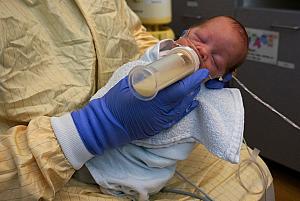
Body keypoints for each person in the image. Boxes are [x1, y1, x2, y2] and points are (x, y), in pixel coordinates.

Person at [0, 1, 231, 200]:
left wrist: (164, 60)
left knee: (248, 176)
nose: (202, 52)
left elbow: (132, 33)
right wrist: (93, 128)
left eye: (216, 60)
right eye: (200, 39)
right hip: (39, 166)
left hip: (145, 166)